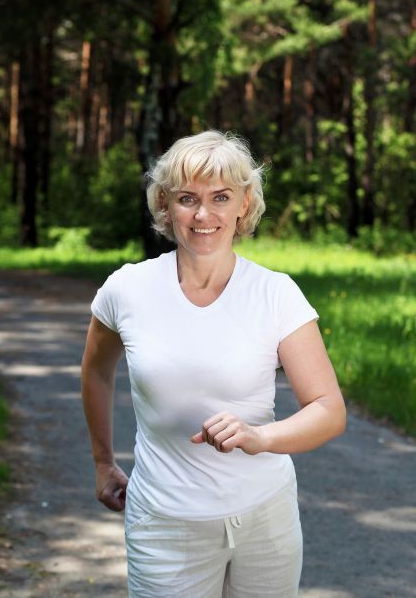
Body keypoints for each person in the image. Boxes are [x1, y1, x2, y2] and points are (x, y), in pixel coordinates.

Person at [80, 129, 347, 598]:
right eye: (188, 199)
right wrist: (104, 463)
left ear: (244, 204)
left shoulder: (276, 294)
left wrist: (259, 437)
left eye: (221, 197)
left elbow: (328, 409)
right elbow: (96, 371)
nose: (204, 215)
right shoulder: (127, 289)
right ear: (165, 206)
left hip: (266, 520)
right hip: (164, 524)